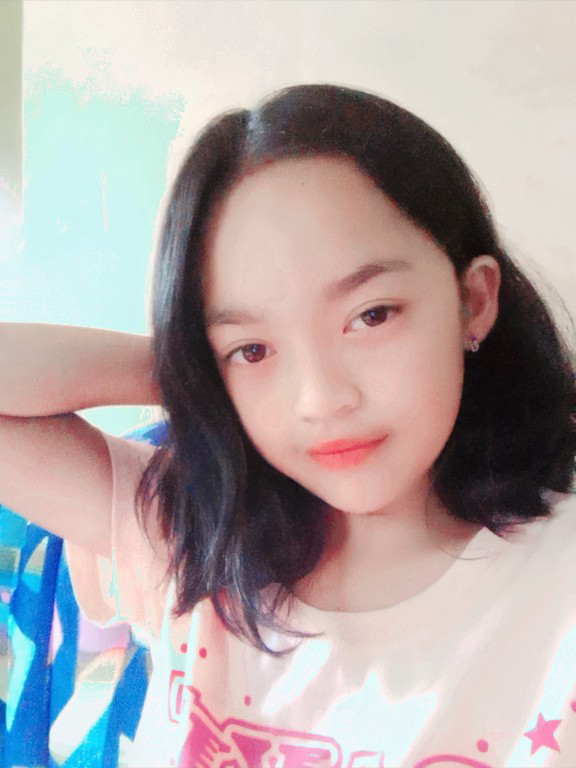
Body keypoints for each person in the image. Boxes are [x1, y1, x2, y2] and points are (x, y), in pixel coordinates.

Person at [1, 83, 574, 767]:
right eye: (253, 350)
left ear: (472, 301)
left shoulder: (558, 584)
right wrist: (189, 371)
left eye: (371, 315)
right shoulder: (195, 535)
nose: (320, 398)